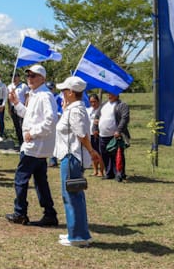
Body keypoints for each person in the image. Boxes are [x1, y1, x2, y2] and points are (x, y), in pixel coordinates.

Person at [6, 64, 59, 227]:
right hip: (36, 146)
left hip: (35, 145)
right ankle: (49, 213)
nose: (29, 78)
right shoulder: (35, 94)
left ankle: (20, 212)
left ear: (42, 78)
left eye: (33, 76)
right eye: (28, 75)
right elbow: (28, 115)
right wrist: (16, 103)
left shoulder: (44, 96)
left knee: (20, 179)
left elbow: (51, 120)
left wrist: (33, 133)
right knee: (41, 181)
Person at [55, 76, 103, 247]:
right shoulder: (73, 109)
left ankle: (77, 237)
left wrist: (91, 151)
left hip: (72, 156)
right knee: (74, 195)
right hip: (71, 155)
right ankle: (77, 232)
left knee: (71, 195)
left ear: (70, 92)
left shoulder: (75, 111)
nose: (61, 93)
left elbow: (81, 134)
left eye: (63, 90)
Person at [95, 90, 130, 182]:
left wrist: (118, 130)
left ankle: (119, 174)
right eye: (108, 93)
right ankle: (109, 173)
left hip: (115, 136)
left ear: (117, 94)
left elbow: (125, 118)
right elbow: (97, 117)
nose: (109, 95)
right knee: (104, 154)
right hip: (102, 135)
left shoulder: (122, 105)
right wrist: (95, 128)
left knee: (117, 155)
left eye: (111, 93)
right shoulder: (104, 104)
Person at [86, 93, 105, 177]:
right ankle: (95, 170)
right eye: (91, 102)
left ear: (98, 101)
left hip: (97, 135)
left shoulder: (101, 111)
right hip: (89, 135)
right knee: (92, 153)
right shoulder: (88, 110)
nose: (93, 103)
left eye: (94, 101)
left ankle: (101, 171)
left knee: (99, 153)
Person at [8, 73, 28, 147]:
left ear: (19, 77)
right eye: (12, 77)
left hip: (22, 106)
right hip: (13, 107)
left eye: (15, 76)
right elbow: (8, 99)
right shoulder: (9, 86)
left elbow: (27, 97)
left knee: (22, 125)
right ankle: (20, 142)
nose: (14, 78)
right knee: (16, 126)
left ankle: (25, 142)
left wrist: (26, 106)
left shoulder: (24, 86)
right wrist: (9, 108)